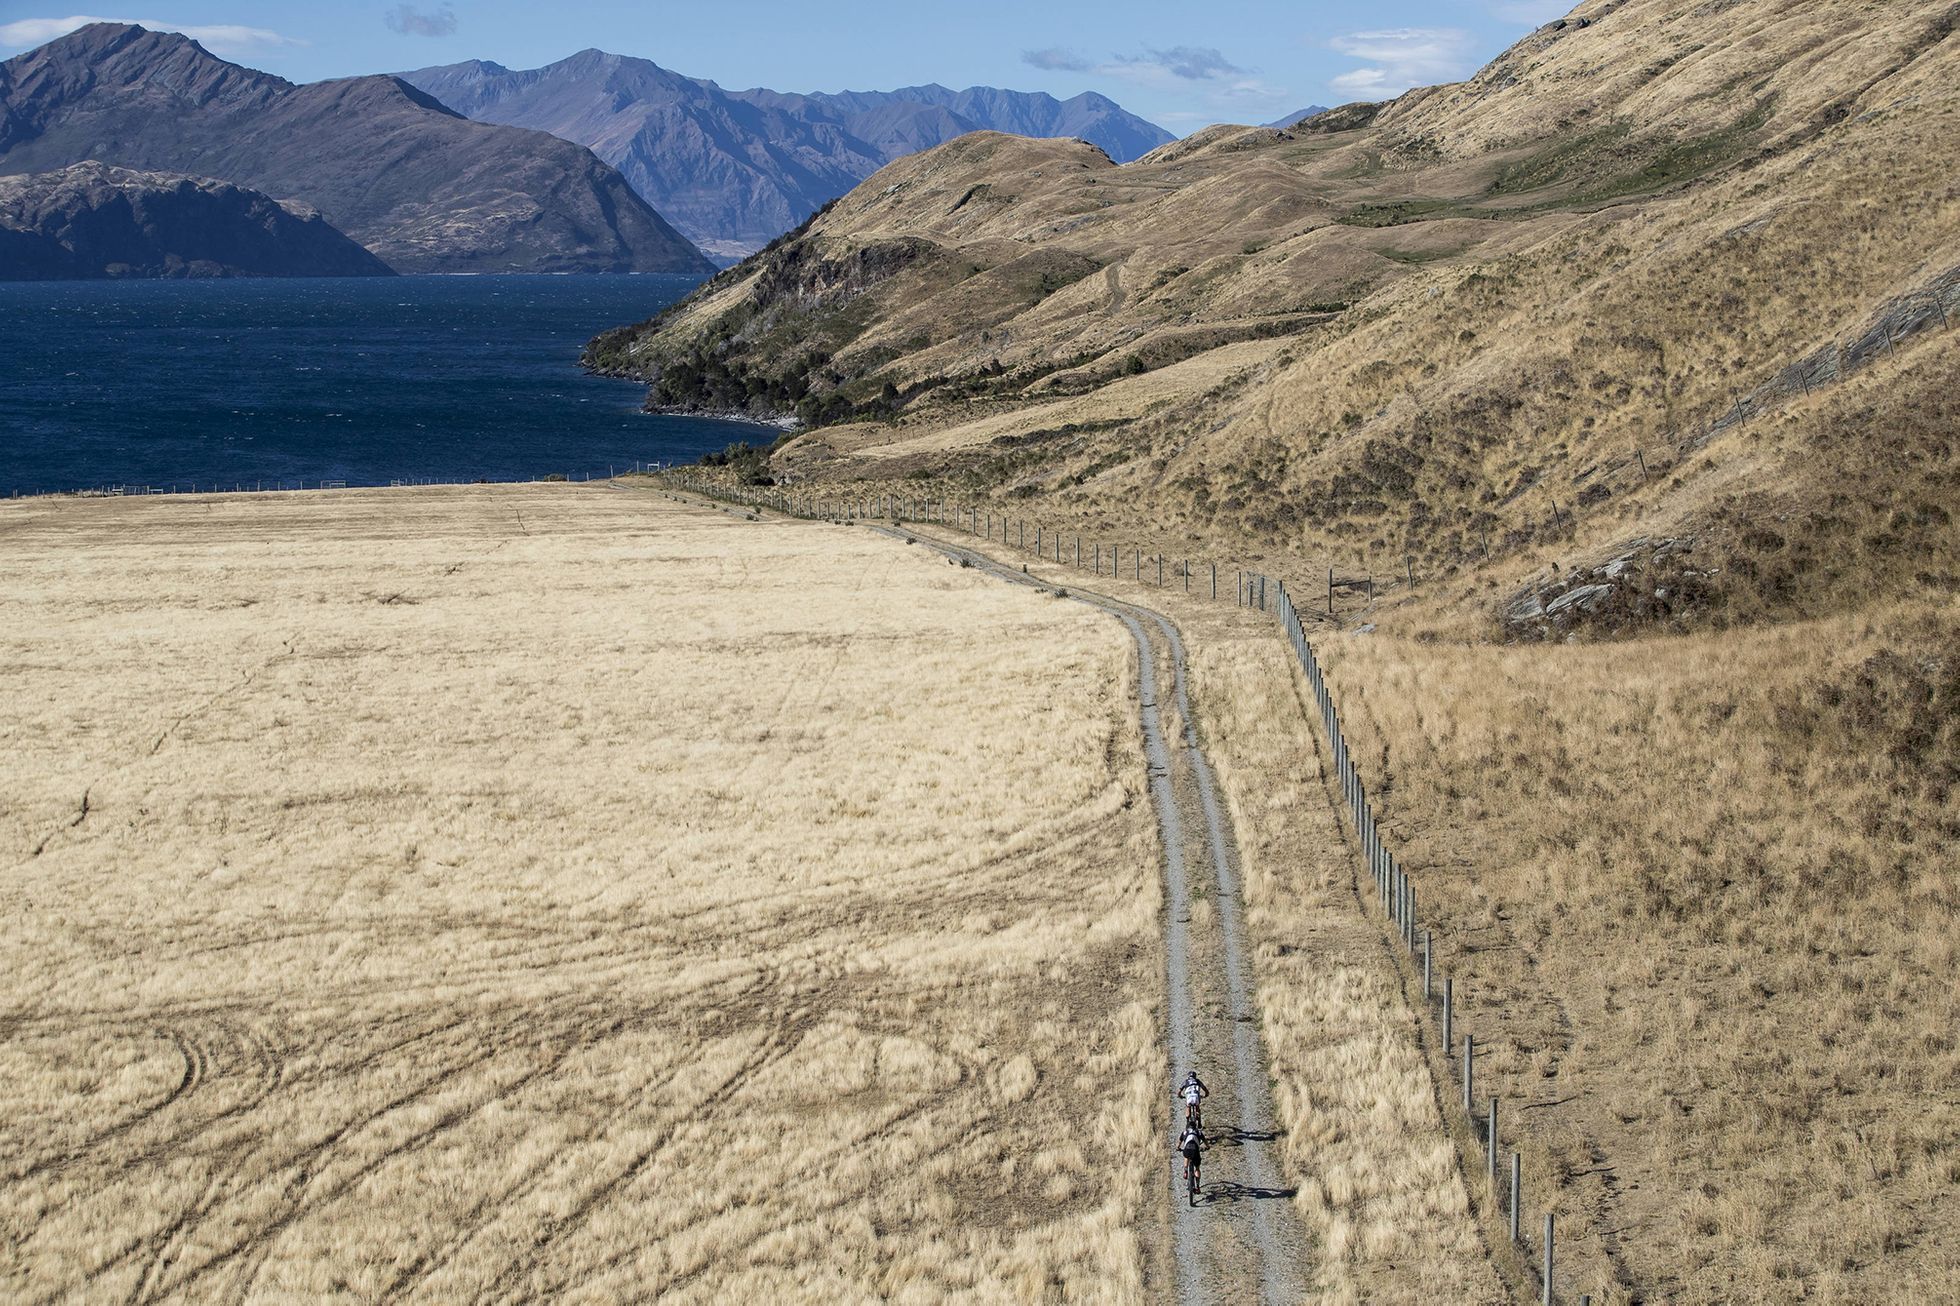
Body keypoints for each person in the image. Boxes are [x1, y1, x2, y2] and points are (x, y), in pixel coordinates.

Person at [1178, 1124, 1204, 1204]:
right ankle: (1198, 1186)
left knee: (1186, 1157)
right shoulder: (1198, 1132)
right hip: (1195, 1151)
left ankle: (1185, 1171)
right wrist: (1207, 1147)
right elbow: (1205, 1141)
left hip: (1187, 1150)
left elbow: (1179, 1142)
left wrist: (1178, 1148)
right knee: (1197, 1168)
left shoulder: (1185, 1132)